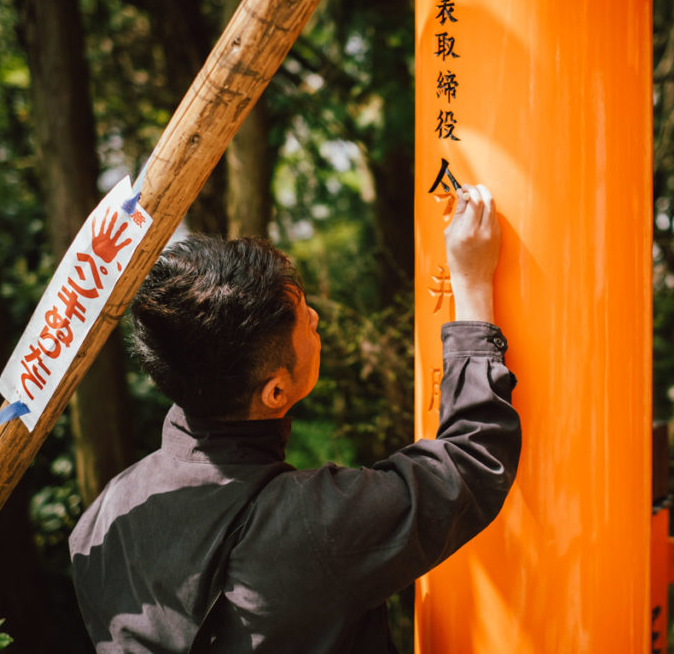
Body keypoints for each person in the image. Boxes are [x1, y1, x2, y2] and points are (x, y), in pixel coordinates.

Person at [69, 184, 520, 652]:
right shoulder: (310, 529)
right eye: (305, 320)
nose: (317, 319)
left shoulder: (102, 520)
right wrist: (471, 283)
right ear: (275, 390)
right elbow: (472, 462)